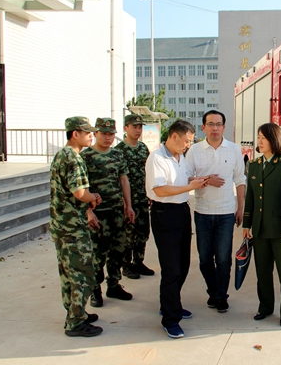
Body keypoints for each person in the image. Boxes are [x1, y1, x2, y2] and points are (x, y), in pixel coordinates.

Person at [145, 119, 209, 339]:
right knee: (171, 268)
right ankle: (170, 320)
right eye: (186, 141)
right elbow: (160, 190)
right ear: (173, 136)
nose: (187, 146)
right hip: (165, 214)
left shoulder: (179, 157)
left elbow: (178, 182)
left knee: (182, 265)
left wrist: (192, 180)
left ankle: (170, 304)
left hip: (181, 211)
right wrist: (190, 187)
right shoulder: (157, 158)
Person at [185, 110, 246, 313]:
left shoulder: (234, 149)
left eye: (219, 124)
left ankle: (221, 297)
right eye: (210, 124)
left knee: (223, 259)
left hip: (226, 213)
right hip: (202, 212)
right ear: (203, 127)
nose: (215, 128)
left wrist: (241, 209)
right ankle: (215, 292)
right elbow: (184, 179)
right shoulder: (194, 151)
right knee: (204, 260)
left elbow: (240, 180)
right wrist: (205, 180)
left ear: (224, 127)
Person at [49, 116, 103, 337]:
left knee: (68, 272)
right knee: (82, 272)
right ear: (75, 134)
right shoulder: (74, 158)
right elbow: (80, 193)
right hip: (72, 227)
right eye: (87, 132)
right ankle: (76, 321)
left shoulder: (61, 155)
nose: (92, 135)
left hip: (60, 224)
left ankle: (75, 312)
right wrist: (94, 197)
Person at [242, 123, 281, 327]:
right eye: (258, 137)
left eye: (263, 138)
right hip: (259, 229)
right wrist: (246, 224)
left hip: (280, 230)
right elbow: (251, 198)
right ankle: (265, 307)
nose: (260, 141)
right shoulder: (255, 165)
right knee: (263, 273)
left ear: (274, 139)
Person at [81, 118, 135, 308]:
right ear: (95, 133)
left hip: (116, 211)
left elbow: (124, 180)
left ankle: (114, 284)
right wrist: (88, 212)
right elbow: (81, 187)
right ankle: (95, 290)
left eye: (111, 134)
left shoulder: (118, 155)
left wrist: (128, 206)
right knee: (98, 254)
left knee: (118, 250)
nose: (107, 137)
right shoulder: (86, 156)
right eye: (103, 133)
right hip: (97, 214)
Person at [115, 114, 154, 279]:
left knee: (143, 231)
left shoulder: (143, 148)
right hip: (128, 200)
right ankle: (127, 264)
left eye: (140, 127)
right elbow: (118, 178)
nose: (138, 130)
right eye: (134, 127)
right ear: (126, 128)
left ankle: (139, 261)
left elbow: (148, 172)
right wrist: (124, 201)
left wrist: (150, 193)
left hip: (142, 198)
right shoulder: (118, 151)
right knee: (128, 233)